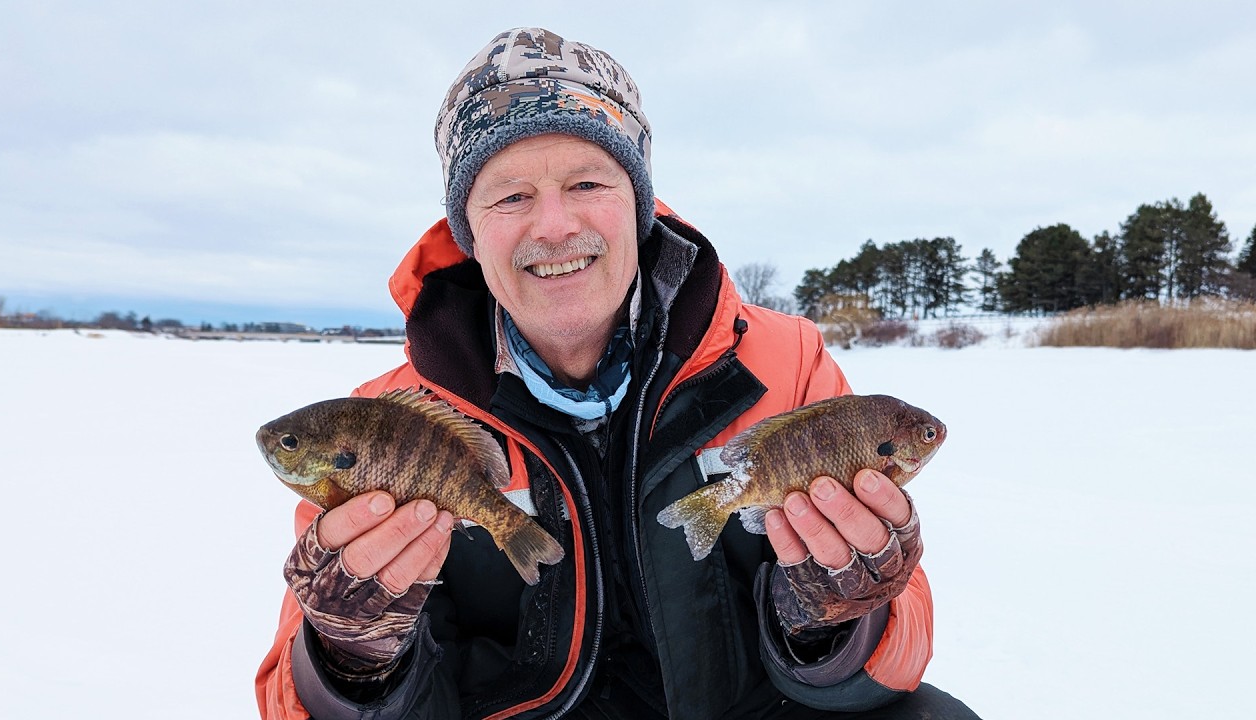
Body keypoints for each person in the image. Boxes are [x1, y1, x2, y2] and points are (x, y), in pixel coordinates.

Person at [256, 27, 978, 720]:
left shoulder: (788, 363)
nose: (555, 227)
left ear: (638, 204)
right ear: (469, 235)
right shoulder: (385, 418)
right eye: (510, 196)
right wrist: (351, 655)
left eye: (587, 182)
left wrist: (834, 617)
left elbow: (900, 654)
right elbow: (290, 696)